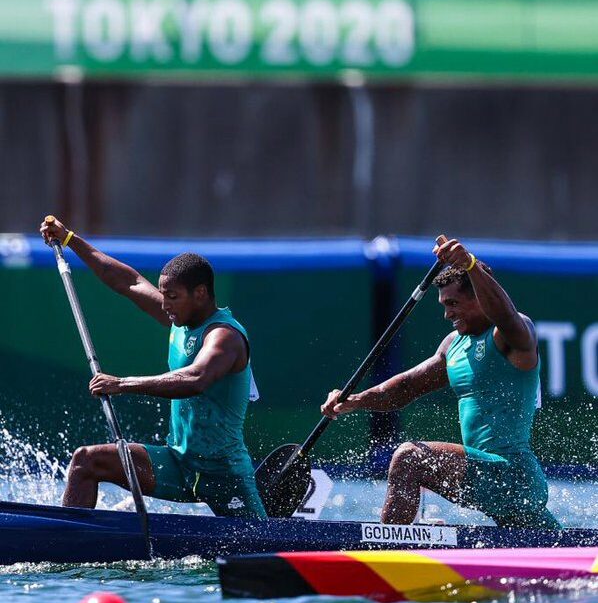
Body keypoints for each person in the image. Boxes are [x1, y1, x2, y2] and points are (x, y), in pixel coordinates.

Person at [321, 236, 560, 529]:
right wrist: (355, 401)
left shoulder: (512, 336)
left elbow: (505, 314)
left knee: (409, 458)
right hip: (489, 479)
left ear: (479, 298)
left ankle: (384, 552)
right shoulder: (453, 346)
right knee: (543, 537)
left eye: (453, 303)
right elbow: (406, 386)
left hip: (513, 477)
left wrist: (470, 265)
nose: (447, 313)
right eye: (443, 304)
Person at [40, 216, 266, 518]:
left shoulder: (225, 336)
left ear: (200, 294)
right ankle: (66, 540)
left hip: (224, 475)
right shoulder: (178, 319)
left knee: (260, 541)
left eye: (172, 296)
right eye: (163, 295)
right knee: (85, 461)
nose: (165, 304)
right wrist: (69, 240)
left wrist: (122, 384)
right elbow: (127, 281)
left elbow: (195, 379)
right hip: (177, 463)